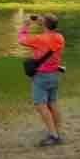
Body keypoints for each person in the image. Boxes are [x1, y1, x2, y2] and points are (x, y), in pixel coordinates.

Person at [19, 13, 64, 146]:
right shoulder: (60, 37)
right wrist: (42, 22)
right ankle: (57, 132)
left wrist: (26, 25)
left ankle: (53, 135)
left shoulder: (39, 39)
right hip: (55, 74)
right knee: (53, 103)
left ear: (44, 25)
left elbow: (21, 39)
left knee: (41, 105)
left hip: (41, 77)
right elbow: (50, 30)